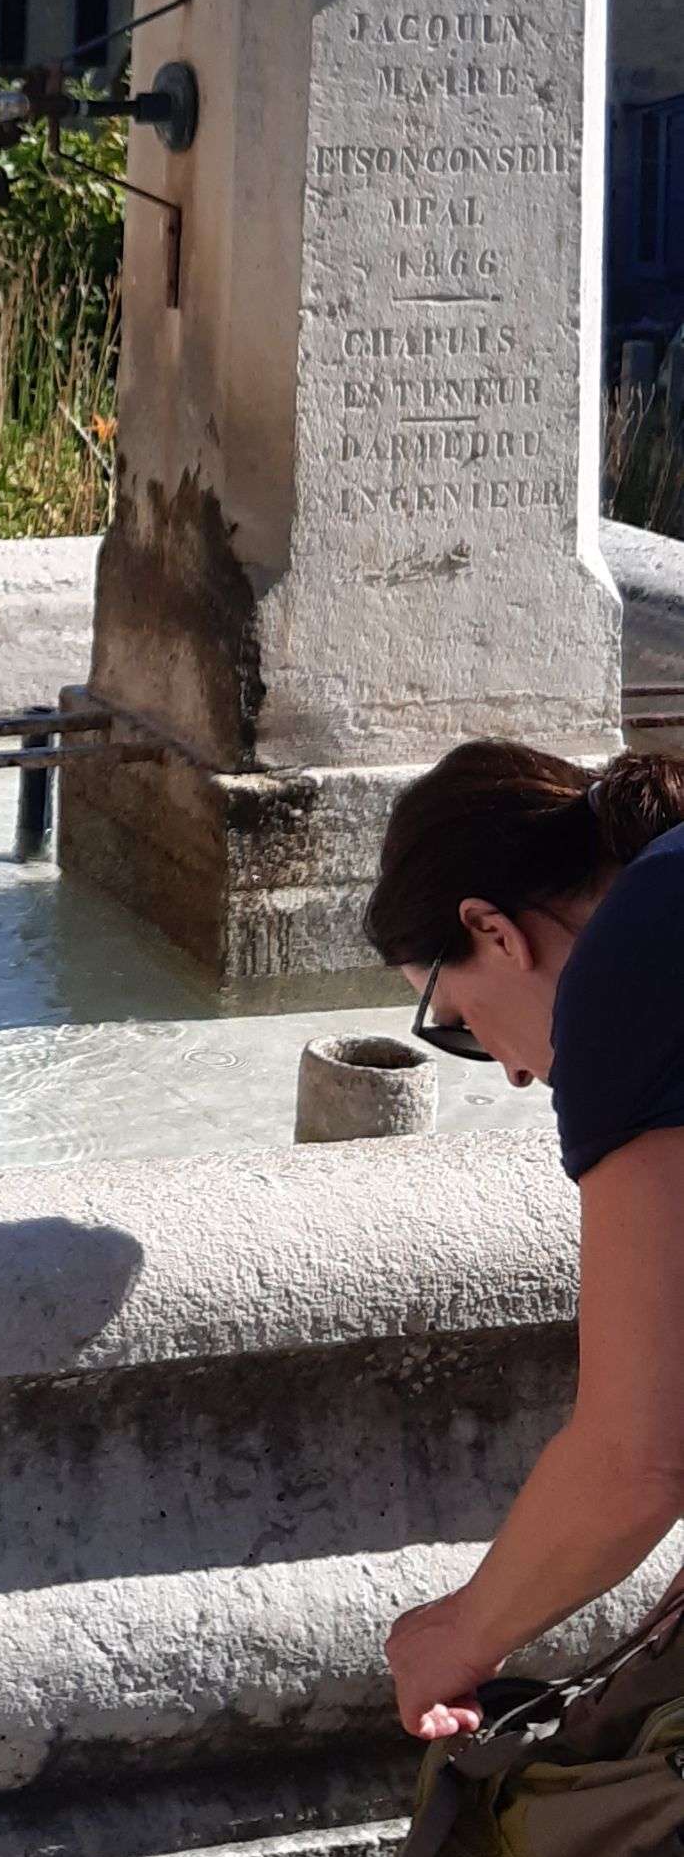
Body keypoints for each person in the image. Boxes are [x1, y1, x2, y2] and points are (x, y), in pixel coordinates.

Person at [363, 742, 684, 1746]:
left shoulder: (631, 959)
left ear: (491, 931)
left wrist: (457, 1634)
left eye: (456, 1021)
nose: (504, 1071)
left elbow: (636, 1461)